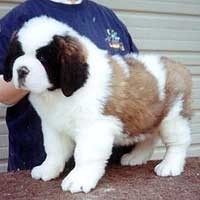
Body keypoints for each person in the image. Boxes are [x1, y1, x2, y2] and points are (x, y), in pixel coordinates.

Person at [0, 0, 138, 171]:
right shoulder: (23, 16)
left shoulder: (108, 18)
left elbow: (134, 77)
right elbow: (2, 93)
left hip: (114, 168)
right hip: (37, 165)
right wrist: (38, 67)